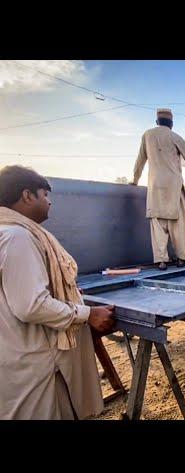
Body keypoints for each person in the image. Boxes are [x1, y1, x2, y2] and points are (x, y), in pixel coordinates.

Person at [0, 165, 115, 419]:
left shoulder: (6, 233)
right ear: (27, 195)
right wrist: (86, 313)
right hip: (33, 363)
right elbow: (31, 305)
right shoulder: (17, 237)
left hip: (14, 360)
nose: (49, 202)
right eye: (45, 195)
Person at [131, 108, 185, 270]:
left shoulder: (147, 135)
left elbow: (140, 161)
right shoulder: (175, 137)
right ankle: (182, 258)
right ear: (171, 124)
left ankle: (161, 260)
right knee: (178, 226)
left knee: (158, 225)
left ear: (156, 122)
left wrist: (135, 180)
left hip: (155, 187)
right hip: (174, 187)